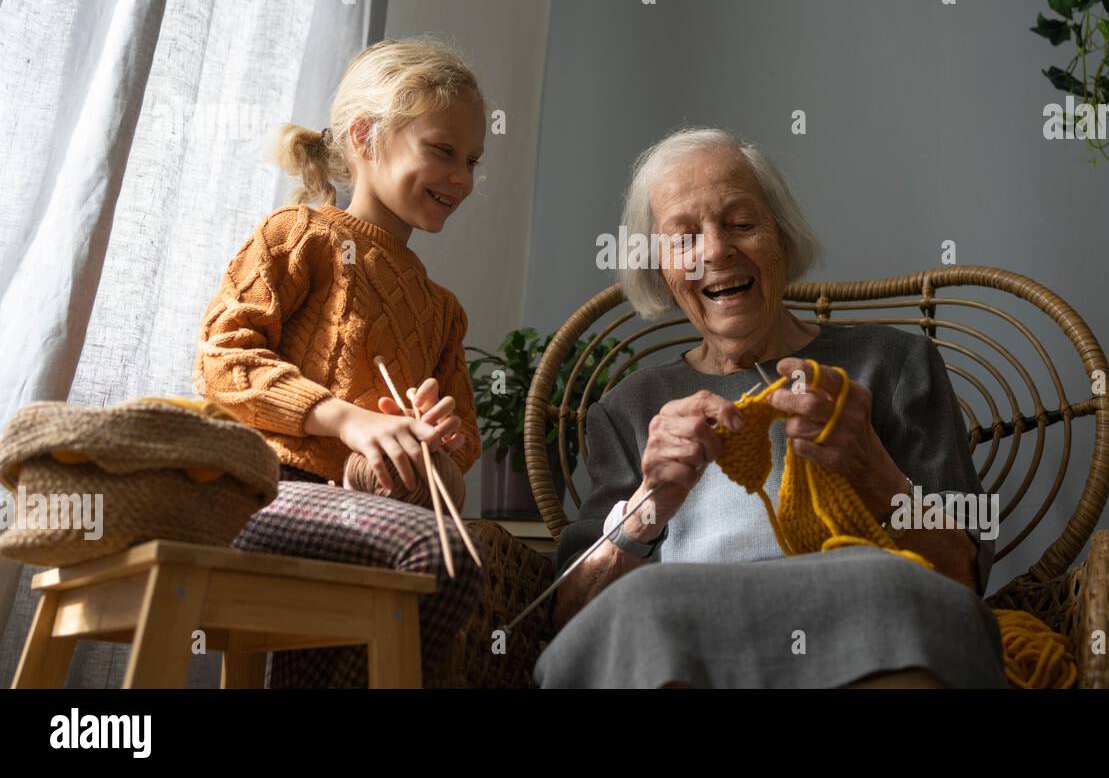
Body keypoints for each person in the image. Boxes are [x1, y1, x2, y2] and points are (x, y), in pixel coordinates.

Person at [534, 128, 1006, 689]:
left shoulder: (895, 363)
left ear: (781, 238)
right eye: (684, 238)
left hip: (865, 618)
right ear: (661, 269)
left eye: (740, 224)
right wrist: (644, 510)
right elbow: (571, 616)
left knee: (897, 591)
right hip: (691, 637)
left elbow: (963, 573)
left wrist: (872, 469)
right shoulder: (628, 409)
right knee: (642, 608)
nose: (715, 251)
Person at [191, 37, 485, 686]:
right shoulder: (298, 235)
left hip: (375, 508)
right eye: (442, 151)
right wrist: (346, 420)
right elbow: (222, 357)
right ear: (365, 136)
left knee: (454, 553)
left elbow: (461, 446)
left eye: (472, 160)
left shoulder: (443, 311)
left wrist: (441, 442)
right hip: (267, 493)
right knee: (432, 556)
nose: (461, 178)